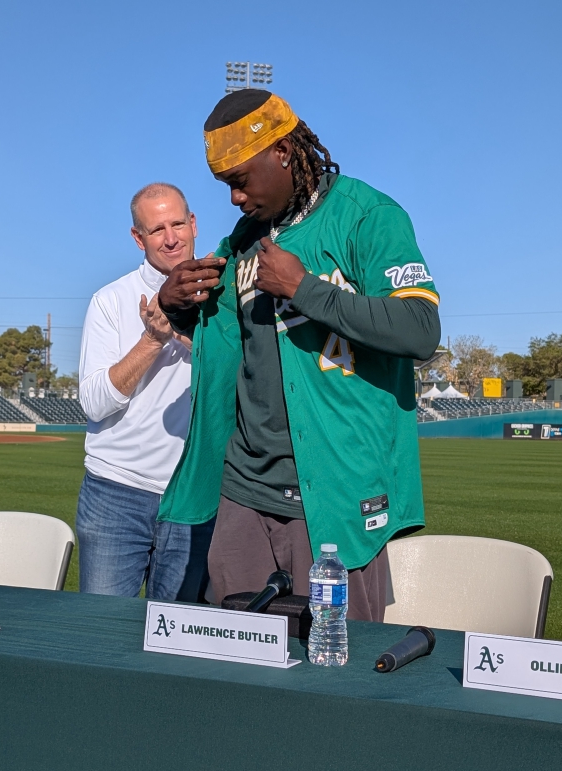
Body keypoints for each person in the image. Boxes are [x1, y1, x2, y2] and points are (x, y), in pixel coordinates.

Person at [157, 90, 442, 621]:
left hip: (334, 489)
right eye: (227, 186)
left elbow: (421, 330)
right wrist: (174, 307)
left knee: (337, 669)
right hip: (245, 487)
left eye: (240, 180)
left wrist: (305, 288)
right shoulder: (243, 240)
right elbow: (225, 351)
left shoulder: (367, 216)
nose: (236, 199)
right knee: (234, 661)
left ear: (284, 152)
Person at [76, 183, 214, 601]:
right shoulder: (110, 300)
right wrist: (152, 340)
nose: (171, 238)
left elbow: (248, 377)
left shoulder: (227, 298)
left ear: (193, 224)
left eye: (177, 224)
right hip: (115, 493)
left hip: (195, 494)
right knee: (101, 637)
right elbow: (95, 403)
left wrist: (187, 335)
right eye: (157, 230)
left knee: (178, 642)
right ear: (138, 238)